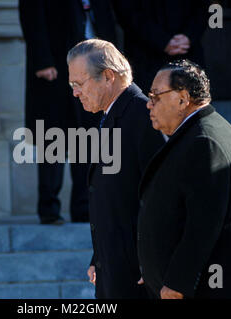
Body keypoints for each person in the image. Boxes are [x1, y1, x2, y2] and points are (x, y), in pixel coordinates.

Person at [137, 59, 231, 299]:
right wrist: (153, 266)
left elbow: (204, 223)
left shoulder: (204, 140)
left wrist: (177, 282)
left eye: (156, 96)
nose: (149, 104)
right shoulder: (195, 133)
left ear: (183, 99)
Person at [67, 39, 164, 298]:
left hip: (138, 273)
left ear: (108, 76)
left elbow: (162, 196)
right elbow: (113, 198)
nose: (75, 92)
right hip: (114, 265)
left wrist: (153, 261)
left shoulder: (144, 116)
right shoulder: (111, 115)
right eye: (71, 85)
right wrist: (98, 256)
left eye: (79, 83)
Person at [19, 0, 117, 224]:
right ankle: (49, 208)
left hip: (92, 72)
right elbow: (33, 18)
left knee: (85, 140)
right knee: (53, 139)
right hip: (55, 69)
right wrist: (42, 61)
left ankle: (82, 207)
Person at [112, 0, 209, 93]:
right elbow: (126, 11)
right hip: (145, 56)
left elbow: (204, 7)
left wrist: (189, 36)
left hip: (188, 54)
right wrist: (162, 41)